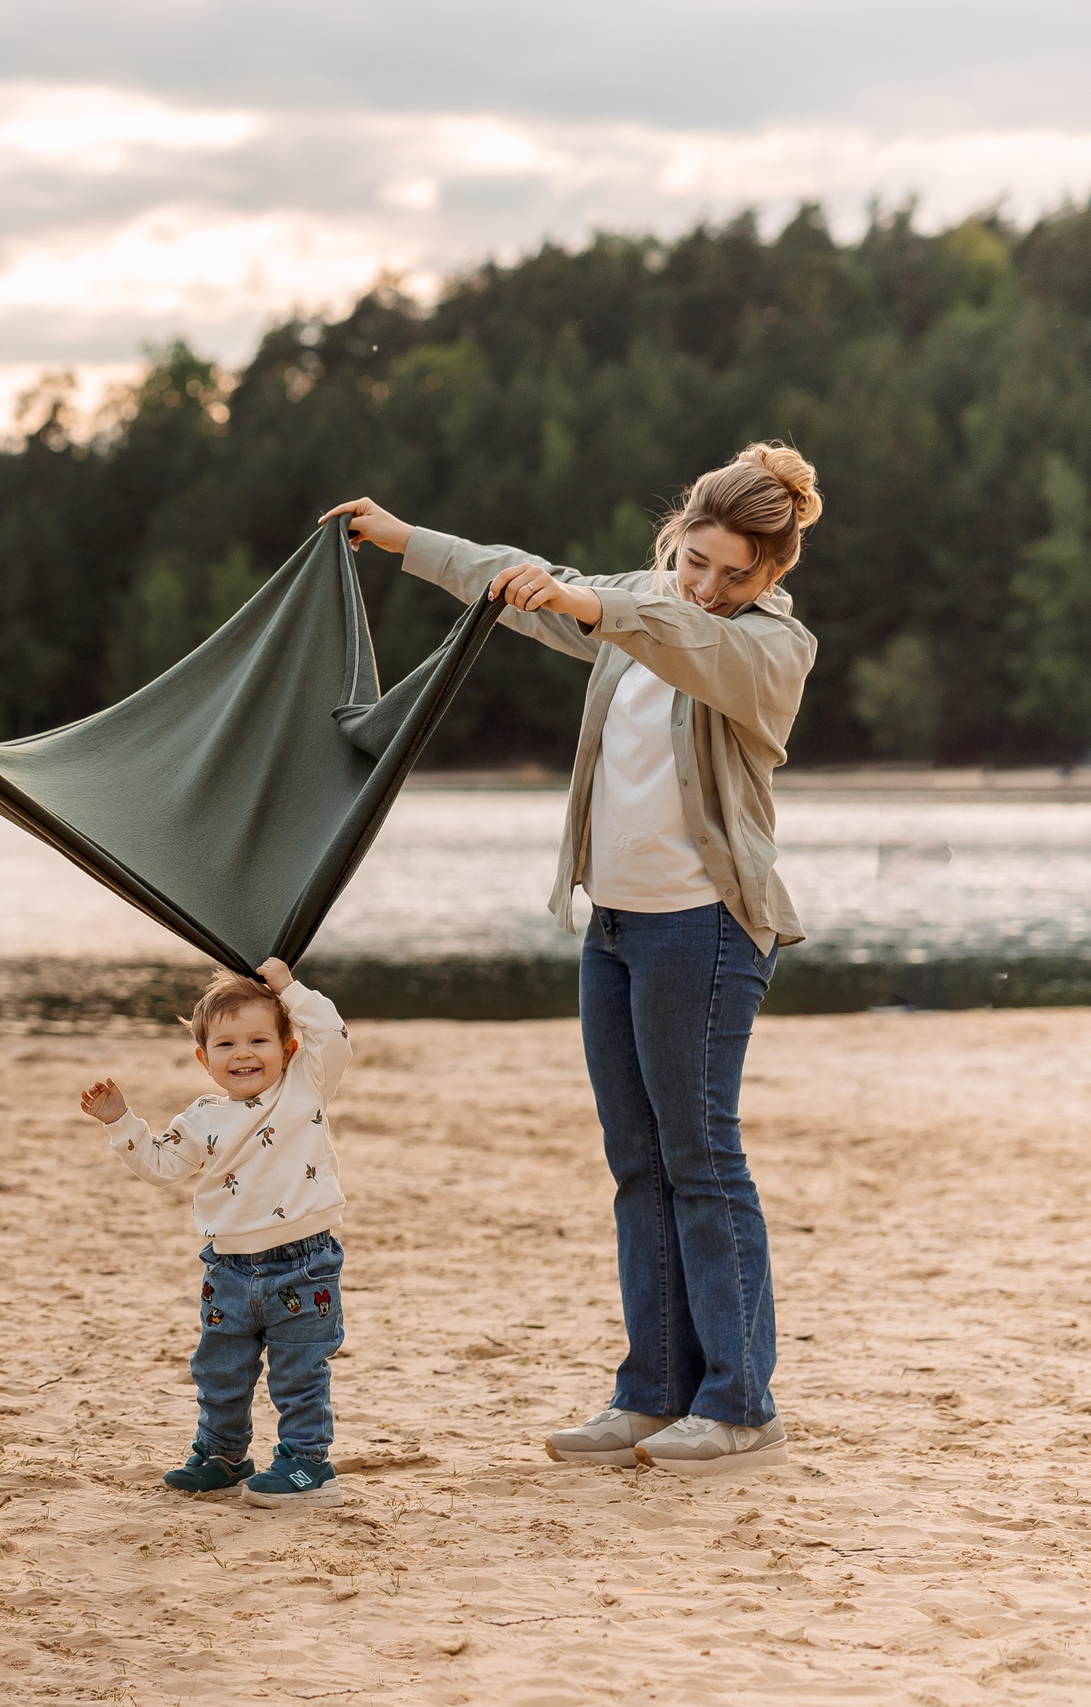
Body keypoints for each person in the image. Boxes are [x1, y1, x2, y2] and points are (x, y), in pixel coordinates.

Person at [320, 442, 821, 1477]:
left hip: (708, 927)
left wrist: (597, 602)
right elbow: (525, 581)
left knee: (702, 1159)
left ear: (772, 573)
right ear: (675, 535)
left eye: (735, 572)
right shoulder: (633, 603)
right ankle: (651, 1396)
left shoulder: (769, 649)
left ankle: (740, 1404)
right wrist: (409, 541)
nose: (707, 586)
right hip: (619, 926)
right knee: (637, 1166)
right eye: (694, 560)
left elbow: (664, 629)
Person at [79, 958, 353, 1507]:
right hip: (227, 1267)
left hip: (303, 1264)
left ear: (289, 1049)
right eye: (226, 1045)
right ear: (205, 1060)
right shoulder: (202, 1117)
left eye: (259, 1040)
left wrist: (289, 989)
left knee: (299, 1372)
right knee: (220, 1369)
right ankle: (223, 1455)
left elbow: (332, 1032)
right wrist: (121, 1121)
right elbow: (160, 1167)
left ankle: (308, 1464)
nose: (244, 1053)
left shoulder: (305, 1085)